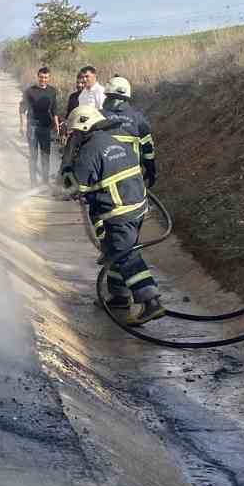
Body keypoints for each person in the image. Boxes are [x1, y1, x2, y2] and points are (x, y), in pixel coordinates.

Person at [60, 105, 165, 323]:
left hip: (118, 212)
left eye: (76, 133)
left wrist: (66, 177)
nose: (75, 137)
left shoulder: (90, 148)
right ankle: (119, 295)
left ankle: (151, 301)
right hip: (136, 207)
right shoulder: (112, 140)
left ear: (84, 127)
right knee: (113, 251)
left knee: (125, 255)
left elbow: (77, 186)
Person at [100, 76, 156, 189]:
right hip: (132, 176)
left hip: (104, 178)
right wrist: (151, 170)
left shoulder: (97, 117)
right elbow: (148, 148)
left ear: (107, 94)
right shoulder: (138, 118)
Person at [20, 66, 60, 185]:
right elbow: (22, 109)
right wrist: (22, 125)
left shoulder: (52, 91)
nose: (43, 79)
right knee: (33, 156)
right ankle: (33, 182)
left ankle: (45, 182)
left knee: (45, 155)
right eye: (41, 77)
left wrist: (57, 125)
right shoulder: (30, 91)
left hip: (45, 127)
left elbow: (54, 110)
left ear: (49, 78)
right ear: (38, 77)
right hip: (32, 127)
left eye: (46, 77)